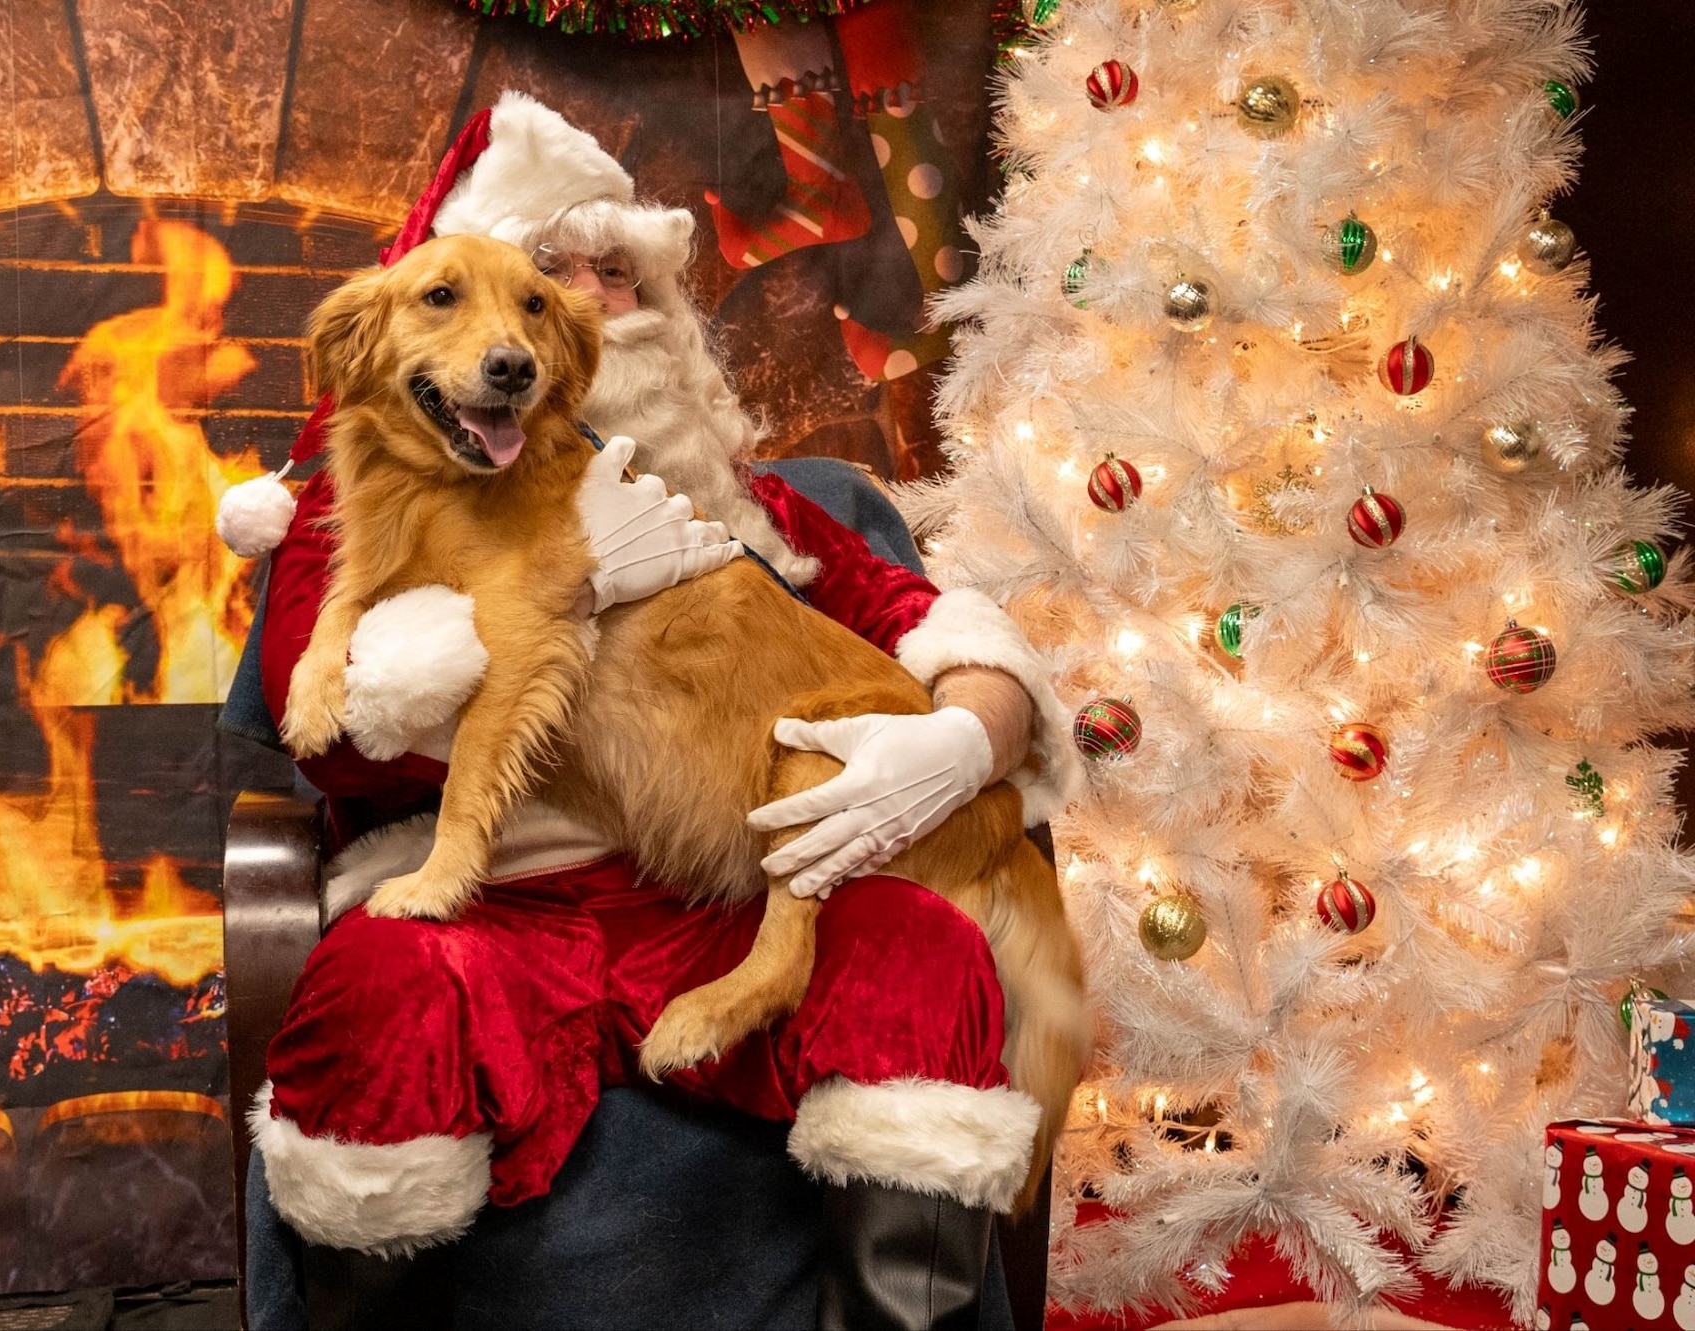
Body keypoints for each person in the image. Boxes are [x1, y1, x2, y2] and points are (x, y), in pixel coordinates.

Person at [228, 93, 1086, 1329]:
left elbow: (934, 623)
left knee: (919, 952)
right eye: (543, 270)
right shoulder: (364, 483)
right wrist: (536, 605)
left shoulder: (756, 512)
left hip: (726, 900)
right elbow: (327, 726)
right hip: (493, 899)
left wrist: (962, 740)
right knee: (384, 990)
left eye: (607, 275)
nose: (574, 306)